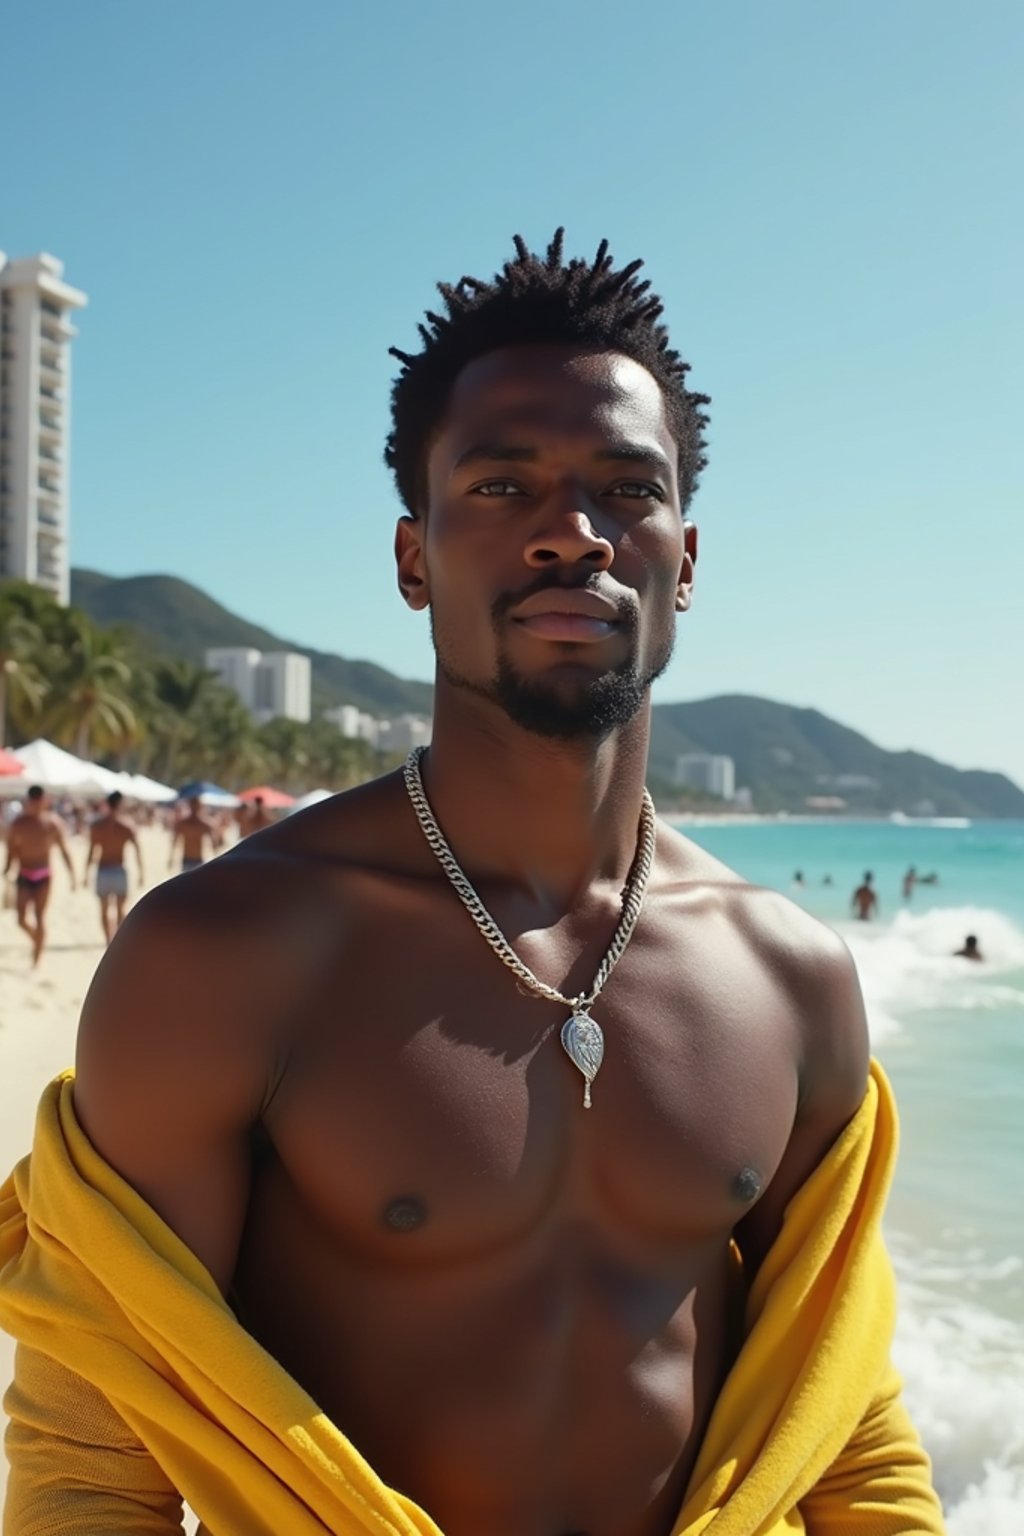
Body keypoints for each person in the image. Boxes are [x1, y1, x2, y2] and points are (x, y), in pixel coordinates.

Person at [0, 233, 943, 1534]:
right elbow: (90, 1460)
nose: (573, 533)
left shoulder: (790, 980)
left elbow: (846, 1435)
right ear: (411, 557)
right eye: (504, 486)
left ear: (688, 556)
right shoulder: (223, 959)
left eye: (626, 488)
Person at [2, 783, 76, 965]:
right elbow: (11, 850)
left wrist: (72, 874)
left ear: (44, 801)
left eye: (38, 801)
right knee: (20, 918)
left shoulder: (52, 823)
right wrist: (6, 869)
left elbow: (64, 850)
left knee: (40, 916)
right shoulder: (19, 824)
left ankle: (36, 958)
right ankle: (37, 938)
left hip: (43, 875)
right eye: (33, 801)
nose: (35, 804)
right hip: (24, 873)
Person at [84, 790, 145, 945]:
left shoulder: (98, 826)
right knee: (120, 909)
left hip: (103, 869)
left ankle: (108, 941)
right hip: (119, 870)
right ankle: (118, 941)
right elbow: (137, 850)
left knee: (104, 909)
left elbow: (92, 851)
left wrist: (85, 872)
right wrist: (141, 872)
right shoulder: (126, 826)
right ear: (120, 805)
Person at [168, 794, 218, 872]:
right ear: (190, 806)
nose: (195, 808)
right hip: (187, 859)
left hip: (198, 859)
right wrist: (171, 857)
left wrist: (216, 858)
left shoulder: (204, 824)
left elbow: (214, 843)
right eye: (193, 805)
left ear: (200, 807)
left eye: (197, 806)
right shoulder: (183, 824)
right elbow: (175, 841)